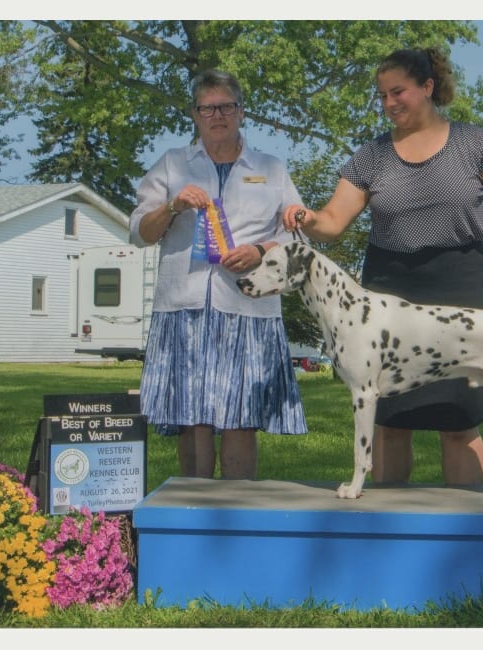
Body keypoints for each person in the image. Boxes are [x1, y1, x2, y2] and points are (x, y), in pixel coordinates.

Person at [283, 48, 483, 487]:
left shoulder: (474, 144)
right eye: (381, 95)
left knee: (459, 421)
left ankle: (468, 524)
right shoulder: (371, 156)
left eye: (398, 91)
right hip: (389, 285)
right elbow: (332, 222)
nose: (389, 103)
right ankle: (386, 522)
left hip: (458, 281)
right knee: (391, 421)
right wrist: (307, 218)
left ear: (428, 87)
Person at [130, 69, 307, 480]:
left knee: (241, 416)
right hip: (184, 307)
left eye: (226, 106)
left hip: (248, 308)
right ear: (194, 115)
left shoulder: (272, 168)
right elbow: (140, 232)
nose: (217, 115)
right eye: (207, 108)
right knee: (191, 416)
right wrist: (172, 207)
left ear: (241, 112)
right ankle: (193, 508)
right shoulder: (172, 164)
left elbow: (296, 238)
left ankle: (237, 514)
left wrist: (259, 251)